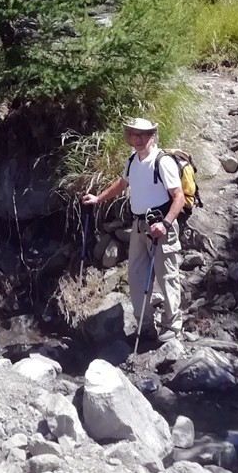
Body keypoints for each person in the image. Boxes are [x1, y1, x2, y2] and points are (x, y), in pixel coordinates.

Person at [82, 117, 186, 343]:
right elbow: (122, 184)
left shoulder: (163, 162)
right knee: (137, 276)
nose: (138, 139)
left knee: (166, 275)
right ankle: (145, 324)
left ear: (152, 136)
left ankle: (173, 325)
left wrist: (165, 223)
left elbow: (179, 198)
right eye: (133, 134)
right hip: (139, 225)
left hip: (161, 226)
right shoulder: (132, 160)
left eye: (143, 135)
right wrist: (98, 198)